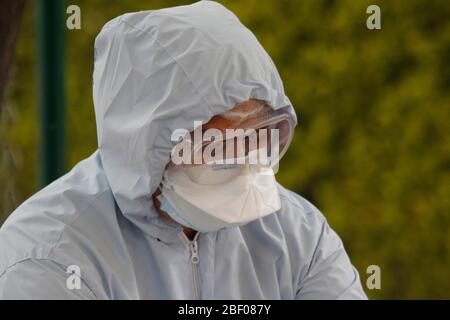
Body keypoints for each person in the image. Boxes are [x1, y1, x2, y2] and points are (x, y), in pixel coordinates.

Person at [0, 1, 366, 299]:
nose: (246, 166)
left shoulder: (299, 236)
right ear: (148, 144)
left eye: (261, 138)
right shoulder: (49, 258)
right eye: (218, 149)